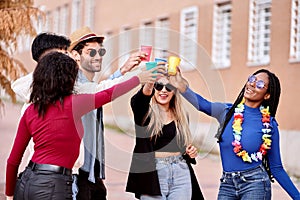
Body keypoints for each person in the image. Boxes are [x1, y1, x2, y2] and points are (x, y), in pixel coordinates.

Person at [5, 52, 162, 200]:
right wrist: (137, 79)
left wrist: (9, 195)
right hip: (53, 186)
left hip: (26, 183)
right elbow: (108, 94)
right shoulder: (75, 104)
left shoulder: (31, 110)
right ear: (66, 79)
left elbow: (13, 160)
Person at [171, 68, 300, 200]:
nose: (252, 84)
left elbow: (276, 167)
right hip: (227, 184)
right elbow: (202, 104)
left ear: (267, 95)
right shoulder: (226, 112)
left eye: (260, 84)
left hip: (255, 184)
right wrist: (180, 84)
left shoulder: (269, 125)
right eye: (252, 79)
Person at [68, 26, 148, 200]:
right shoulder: (71, 84)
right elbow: (97, 92)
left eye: (100, 51)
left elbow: (97, 90)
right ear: (75, 55)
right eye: (91, 52)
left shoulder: (89, 85)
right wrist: (135, 77)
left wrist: (124, 70)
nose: (98, 57)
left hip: (93, 174)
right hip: (77, 175)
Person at [125, 74, 204, 200]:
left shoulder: (182, 116)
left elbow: (183, 147)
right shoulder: (144, 114)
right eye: (159, 86)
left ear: (174, 91)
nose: (163, 90)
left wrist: (190, 152)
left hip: (180, 172)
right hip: (152, 174)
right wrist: (150, 80)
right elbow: (138, 101)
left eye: (169, 87)